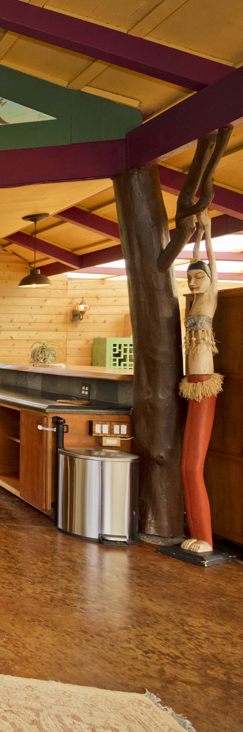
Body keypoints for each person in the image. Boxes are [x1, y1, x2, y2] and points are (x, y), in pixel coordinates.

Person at [178, 211, 221, 555]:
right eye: (189, 277)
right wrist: (194, 234)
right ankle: (198, 535)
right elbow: (196, 261)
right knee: (187, 466)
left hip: (204, 382)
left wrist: (207, 232)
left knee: (192, 466)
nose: (192, 281)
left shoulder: (209, 297)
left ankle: (205, 538)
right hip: (192, 382)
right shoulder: (192, 301)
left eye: (197, 277)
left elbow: (210, 267)